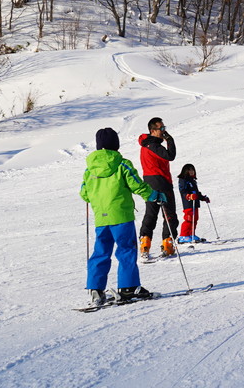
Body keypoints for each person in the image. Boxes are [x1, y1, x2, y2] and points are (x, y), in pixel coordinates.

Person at [79, 127, 165, 307]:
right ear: (115, 144)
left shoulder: (89, 170)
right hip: (121, 216)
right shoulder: (121, 164)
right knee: (126, 249)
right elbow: (137, 185)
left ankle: (95, 289)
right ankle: (129, 287)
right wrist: (154, 195)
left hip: (101, 219)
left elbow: (84, 193)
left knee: (101, 252)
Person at [138, 117, 178, 259]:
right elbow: (170, 156)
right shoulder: (153, 145)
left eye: (164, 128)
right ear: (152, 131)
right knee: (169, 214)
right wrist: (170, 140)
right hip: (160, 180)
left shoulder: (146, 144)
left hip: (149, 180)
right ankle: (167, 244)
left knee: (151, 213)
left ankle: (145, 243)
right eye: (161, 129)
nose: (163, 131)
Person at [177, 163, 210, 243]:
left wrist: (203, 198)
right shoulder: (183, 180)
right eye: (189, 170)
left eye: (193, 170)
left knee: (195, 219)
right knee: (189, 218)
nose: (191, 172)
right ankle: (184, 236)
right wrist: (189, 196)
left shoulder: (193, 181)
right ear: (185, 171)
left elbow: (196, 192)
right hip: (188, 203)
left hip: (195, 203)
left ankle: (191, 234)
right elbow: (183, 190)